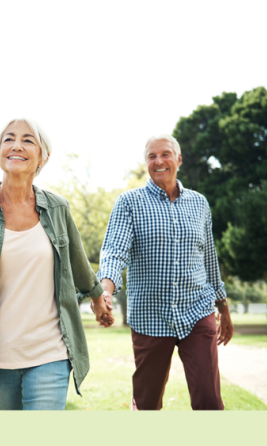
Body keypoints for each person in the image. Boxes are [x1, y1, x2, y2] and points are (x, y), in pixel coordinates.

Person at [0, 117, 114, 410]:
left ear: (43, 156)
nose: (16, 145)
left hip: (50, 353)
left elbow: (77, 263)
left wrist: (96, 297)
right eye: (9, 139)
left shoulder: (58, 208)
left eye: (28, 140)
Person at [97, 134, 234, 410]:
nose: (158, 161)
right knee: (148, 402)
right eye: (151, 156)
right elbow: (114, 251)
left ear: (179, 159)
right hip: (150, 316)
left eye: (165, 154)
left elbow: (209, 259)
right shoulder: (129, 203)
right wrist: (105, 291)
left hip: (198, 312)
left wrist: (223, 306)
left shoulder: (199, 204)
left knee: (210, 400)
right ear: (146, 162)